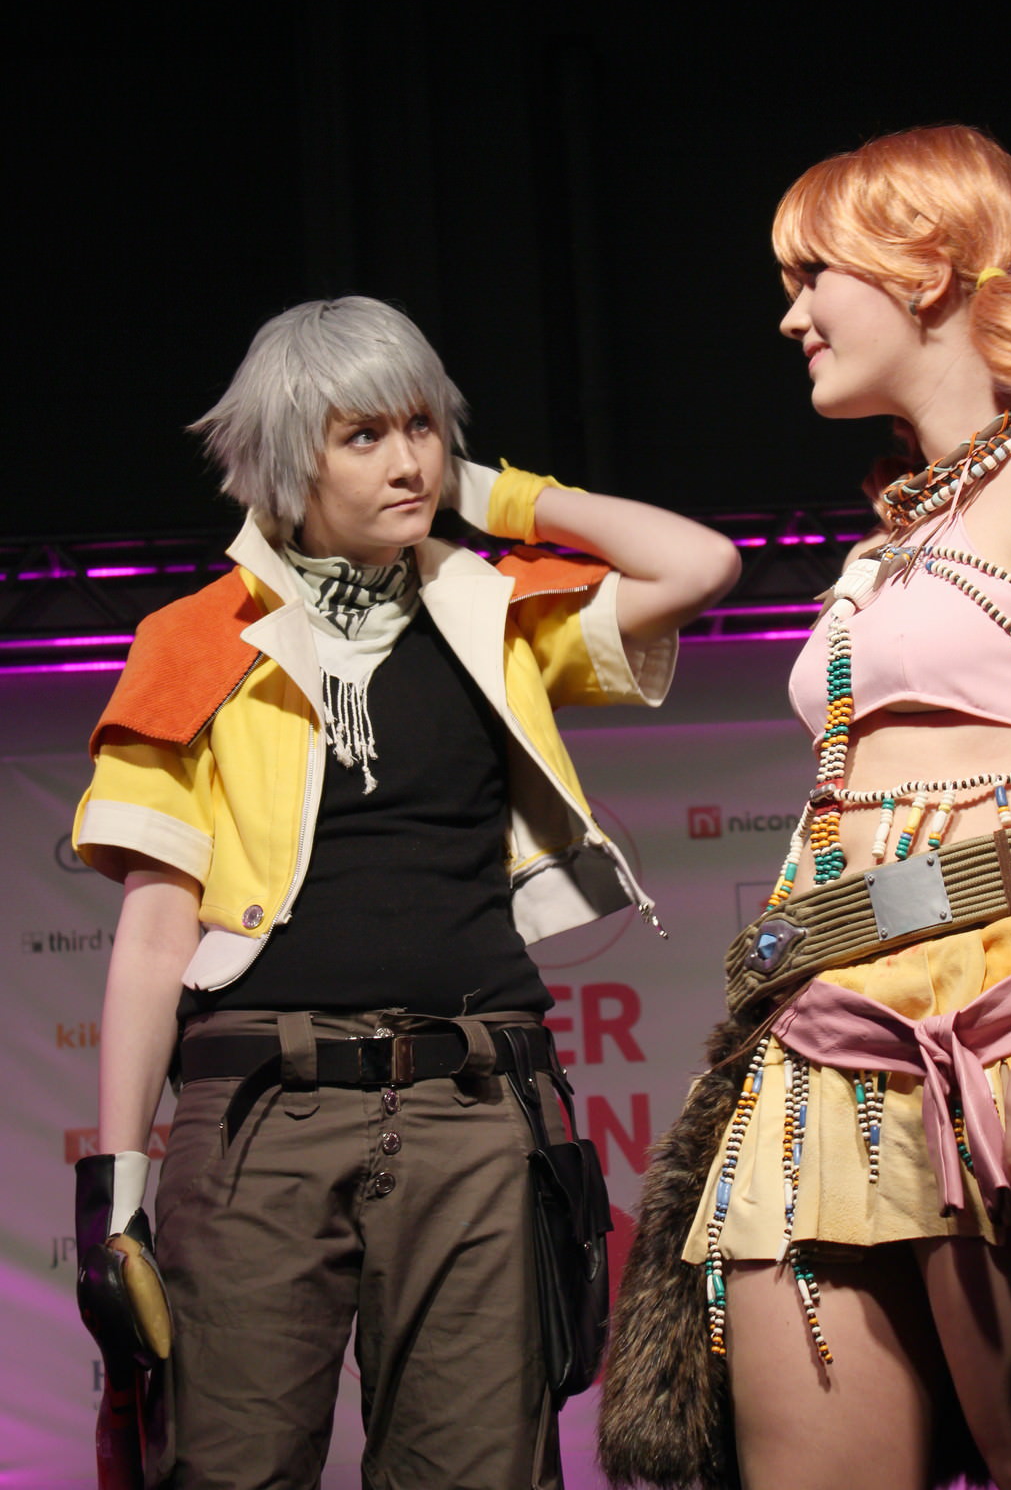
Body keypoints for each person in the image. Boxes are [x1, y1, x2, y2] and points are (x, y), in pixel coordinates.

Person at [600, 127, 1011, 1490]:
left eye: (812, 275)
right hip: (823, 1030)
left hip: (1005, 1006)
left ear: (925, 266)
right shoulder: (886, 543)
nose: (791, 316)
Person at [71, 294, 740, 1490]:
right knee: (228, 1467)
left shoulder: (490, 612)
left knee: (475, 1470)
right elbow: (155, 932)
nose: (408, 461)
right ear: (289, 459)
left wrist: (492, 493)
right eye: (364, 434)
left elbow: (700, 563)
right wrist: (113, 1191)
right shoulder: (195, 638)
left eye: (424, 425)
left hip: (476, 1105)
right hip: (260, 1111)